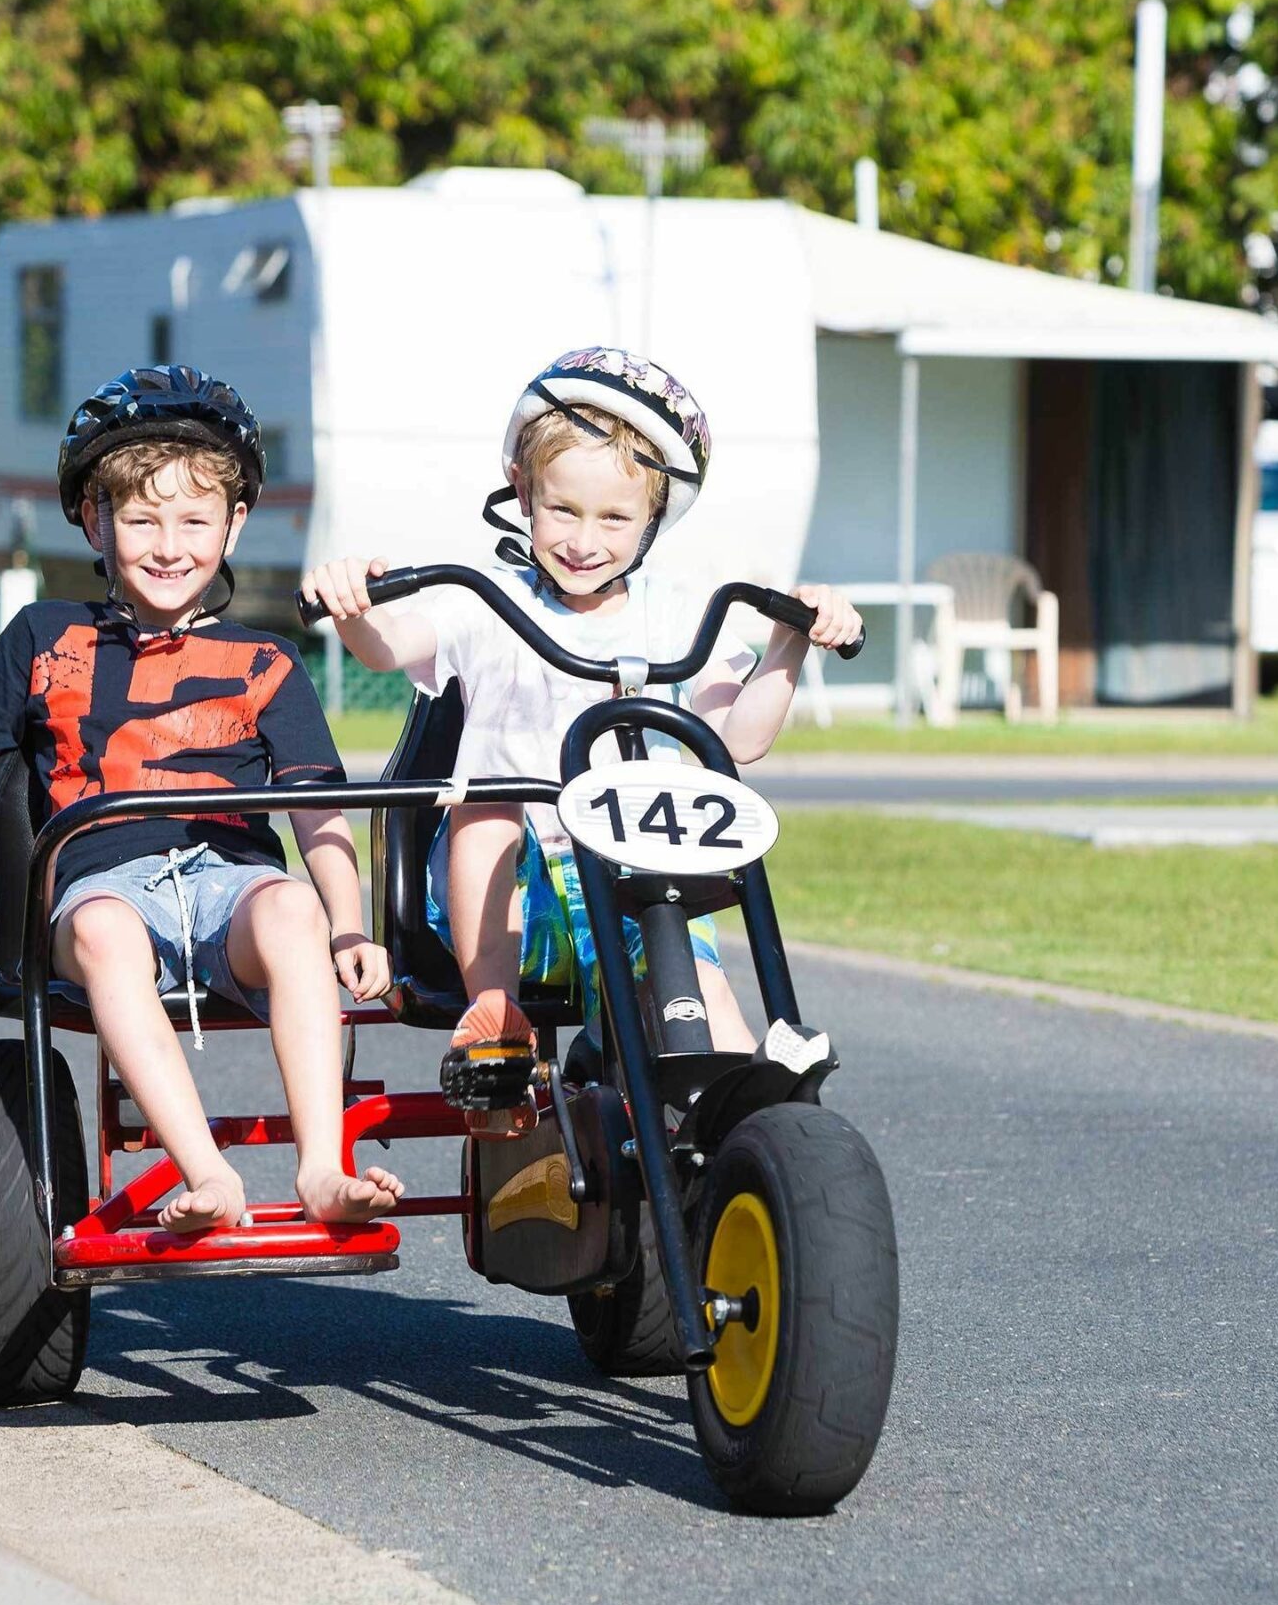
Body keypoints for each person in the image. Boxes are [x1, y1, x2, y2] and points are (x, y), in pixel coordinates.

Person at [0, 365, 402, 1233]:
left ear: (234, 525)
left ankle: (322, 1166)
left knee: (289, 911)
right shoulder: (44, 636)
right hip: (100, 884)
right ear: (97, 521)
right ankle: (209, 1177)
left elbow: (318, 814)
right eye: (141, 519)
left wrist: (348, 922)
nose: (170, 545)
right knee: (102, 929)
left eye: (195, 521)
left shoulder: (267, 661)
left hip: (229, 881)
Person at [302, 346, 860, 1096]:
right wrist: (354, 608)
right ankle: (495, 1019)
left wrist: (792, 641)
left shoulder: (677, 613)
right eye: (562, 509)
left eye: (614, 518)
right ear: (523, 492)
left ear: (653, 518)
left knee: (713, 1016)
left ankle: (736, 1124)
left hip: (640, 878)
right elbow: (389, 647)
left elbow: (737, 738)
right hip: (510, 900)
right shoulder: (489, 600)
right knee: (490, 804)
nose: (583, 540)